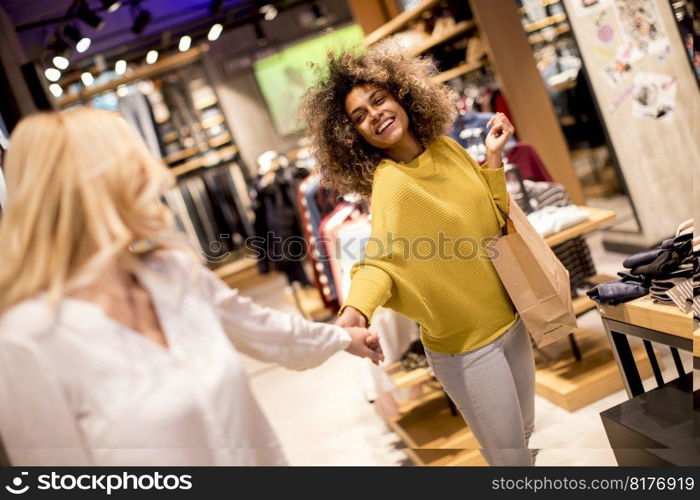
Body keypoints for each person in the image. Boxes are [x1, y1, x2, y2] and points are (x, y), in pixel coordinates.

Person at [0, 109, 384, 466]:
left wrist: (340, 338)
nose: (149, 176)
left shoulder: (171, 273)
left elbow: (262, 329)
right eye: (130, 165)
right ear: (91, 189)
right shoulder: (29, 340)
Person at [300, 44, 536, 466]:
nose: (374, 114)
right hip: (467, 350)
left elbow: (493, 215)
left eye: (379, 100)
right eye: (359, 116)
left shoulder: (447, 150)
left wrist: (494, 159)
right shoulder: (392, 184)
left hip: (512, 322)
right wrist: (354, 312)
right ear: (352, 135)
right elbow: (382, 261)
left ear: (402, 97)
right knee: (511, 460)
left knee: (525, 438)